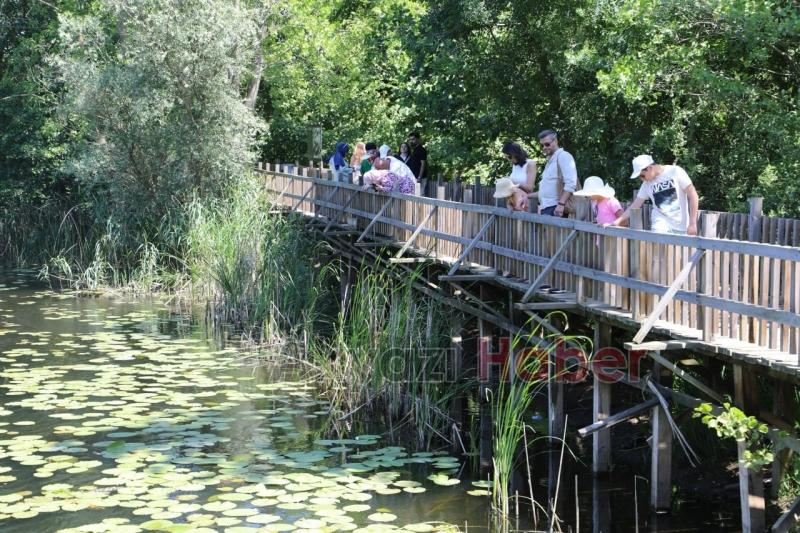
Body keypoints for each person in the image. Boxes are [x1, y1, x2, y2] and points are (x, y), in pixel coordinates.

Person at [607, 154, 699, 235]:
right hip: (660, 223)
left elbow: (693, 195)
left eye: (642, 176)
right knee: (658, 244)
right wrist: (616, 222)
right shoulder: (646, 184)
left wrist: (692, 223)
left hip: (680, 225)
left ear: (649, 168)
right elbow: (635, 205)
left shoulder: (675, 171)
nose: (642, 179)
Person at [536, 129, 578, 217]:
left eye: (547, 144)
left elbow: (571, 183)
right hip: (547, 207)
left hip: (556, 207)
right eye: (542, 145)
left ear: (555, 141)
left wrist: (561, 204)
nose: (544, 147)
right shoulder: (550, 160)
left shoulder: (563, 156)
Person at [574, 176, 623, 245]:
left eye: (590, 193)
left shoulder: (611, 201)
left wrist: (612, 226)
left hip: (614, 242)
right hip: (601, 240)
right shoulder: (594, 202)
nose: (588, 196)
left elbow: (624, 221)